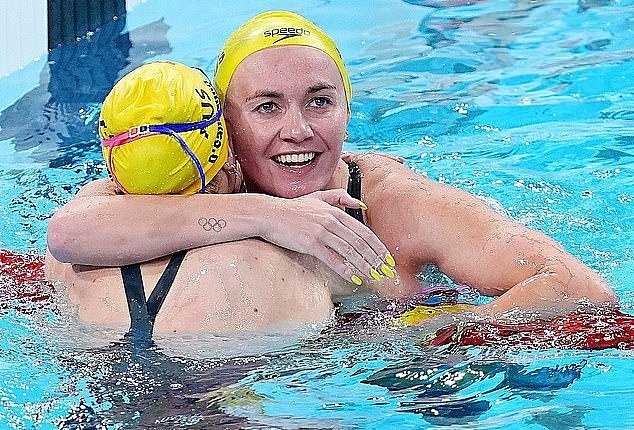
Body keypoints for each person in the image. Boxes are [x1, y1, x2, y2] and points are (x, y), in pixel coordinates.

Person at [47, 11, 618, 324]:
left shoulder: (396, 204)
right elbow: (72, 232)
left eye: (319, 101)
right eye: (267, 106)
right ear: (223, 124)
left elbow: (580, 288)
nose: (297, 129)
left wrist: (444, 331)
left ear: (348, 109)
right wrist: (268, 217)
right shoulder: (203, 178)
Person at [45, 61, 394, 346]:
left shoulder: (77, 255)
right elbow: (383, 316)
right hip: (242, 409)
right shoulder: (291, 259)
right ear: (225, 151)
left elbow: (64, 233)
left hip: (96, 413)